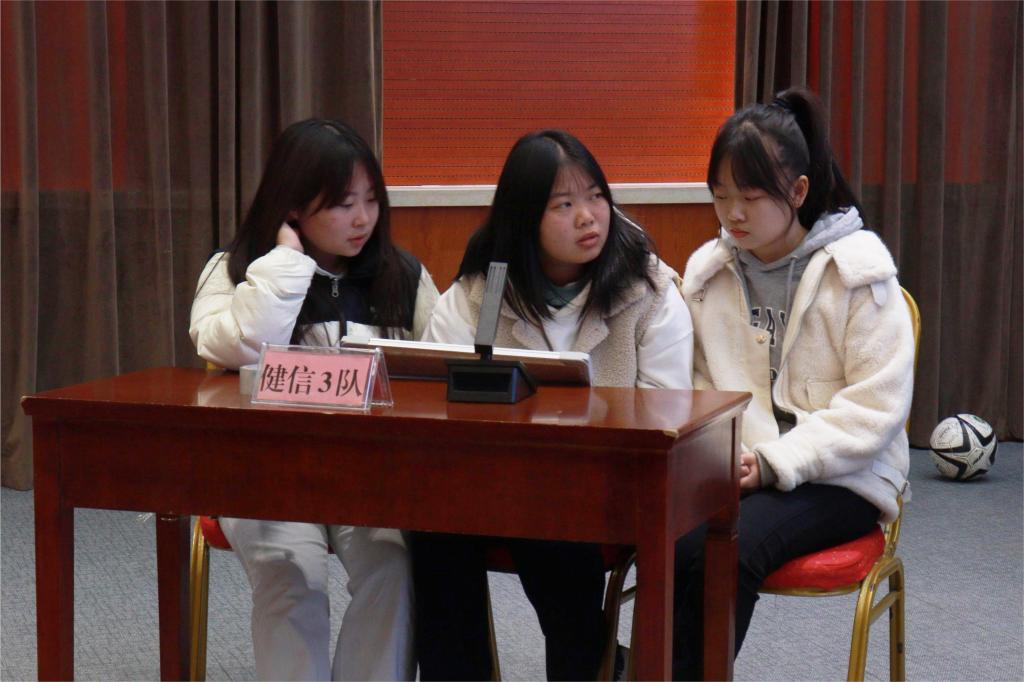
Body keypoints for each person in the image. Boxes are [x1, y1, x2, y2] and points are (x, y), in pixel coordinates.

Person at [410, 129, 694, 681]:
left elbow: (666, 413)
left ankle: (590, 668)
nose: (588, 217)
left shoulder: (649, 291)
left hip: (607, 489)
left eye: (596, 196)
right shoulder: (478, 294)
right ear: (523, 219)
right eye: (563, 205)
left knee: (555, 528)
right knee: (432, 528)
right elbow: (432, 400)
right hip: (493, 481)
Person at [674, 87, 914, 679]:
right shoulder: (708, 274)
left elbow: (873, 410)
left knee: (727, 550)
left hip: (845, 475)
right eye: (720, 195)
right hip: (737, 467)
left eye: (750, 196)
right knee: (672, 545)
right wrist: (731, 459)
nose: (732, 214)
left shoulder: (858, 273)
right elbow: (696, 386)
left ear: (799, 191)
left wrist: (775, 462)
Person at [189, 118, 439, 681]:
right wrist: (285, 265)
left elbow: (440, 371)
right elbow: (234, 345)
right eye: (344, 204)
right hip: (263, 473)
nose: (363, 219)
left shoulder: (403, 276)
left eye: (372, 200)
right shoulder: (233, 268)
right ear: (293, 207)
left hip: (371, 477)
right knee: (291, 574)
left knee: (396, 568)